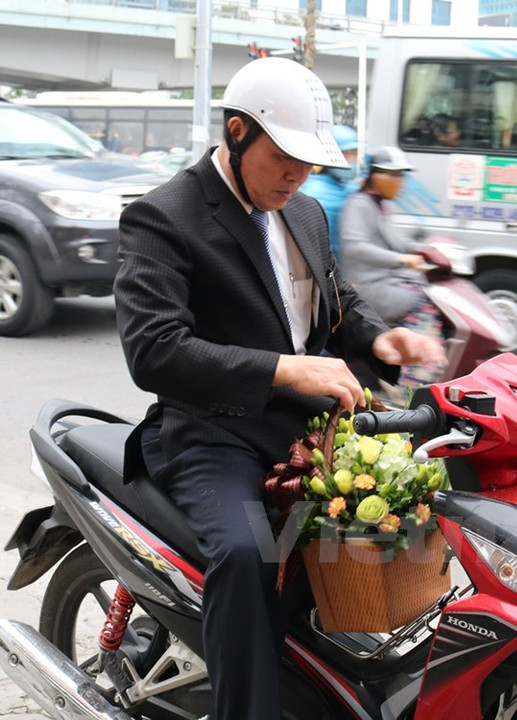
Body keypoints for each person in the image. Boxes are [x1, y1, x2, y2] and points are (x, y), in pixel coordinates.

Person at [112, 57, 444, 720]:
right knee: (248, 554)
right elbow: (155, 350)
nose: (296, 176)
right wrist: (284, 369)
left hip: (306, 435)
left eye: (308, 164)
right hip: (214, 435)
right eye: (283, 158)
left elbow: (335, 300)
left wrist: (381, 341)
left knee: (394, 528)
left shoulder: (307, 213)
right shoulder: (164, 217)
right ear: (237, 132)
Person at [339, 146, 445, 390]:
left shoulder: (380, 205)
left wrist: (424, 248)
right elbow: (355, 246)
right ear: (375, 176)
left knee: (429, 294)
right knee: (421, 302)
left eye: (401, 175)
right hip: (367, 285)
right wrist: (401, 259)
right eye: (394, 175)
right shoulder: (359, 204)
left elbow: (396, 240)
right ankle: (413, 380)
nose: (400, 182)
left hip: (386, 280)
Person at [299, 123, 359, 260]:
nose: (353, 160)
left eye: (354, 154)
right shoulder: (316, 192)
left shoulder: (347, 186)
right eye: (347, 154)